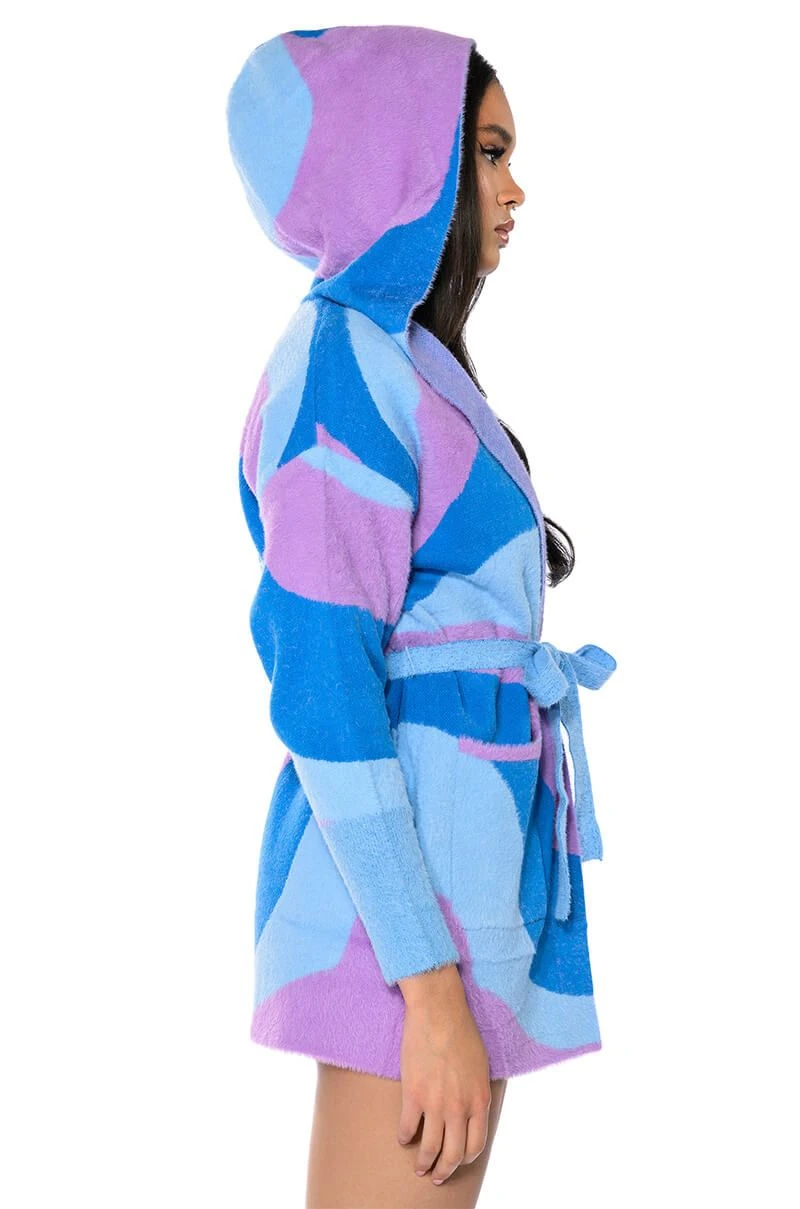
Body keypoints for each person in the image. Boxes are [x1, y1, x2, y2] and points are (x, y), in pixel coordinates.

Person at [226, 24, 617, 1206]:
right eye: (488, 154)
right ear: (404, 163)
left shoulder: (408, 361)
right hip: (407, 925)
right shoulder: (338, 365)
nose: (514, 190)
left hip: (463, 892)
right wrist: (426, 981)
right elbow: (322, 686)